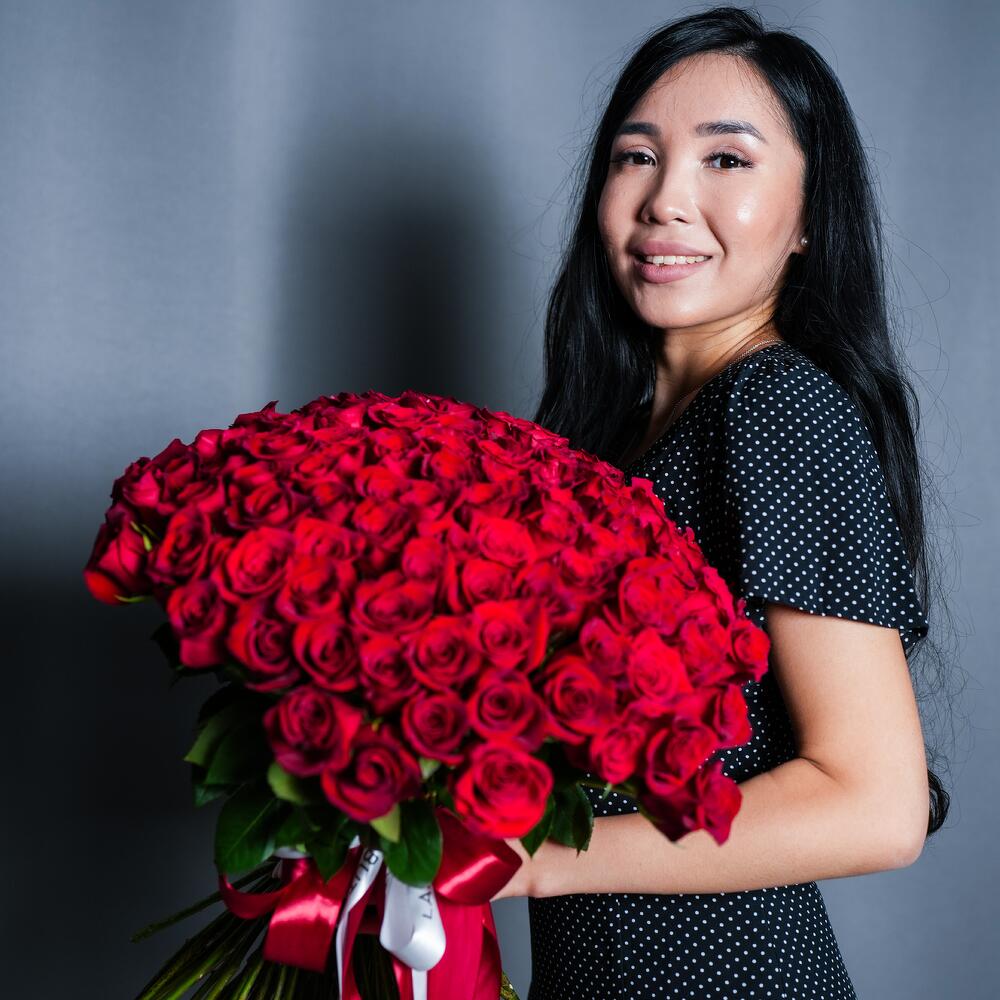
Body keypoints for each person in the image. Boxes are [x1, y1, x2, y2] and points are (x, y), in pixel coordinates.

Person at [492, 6, 952, 999]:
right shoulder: (623, 440)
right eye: (636, 156)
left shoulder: (775, 405)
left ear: (810, 215)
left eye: (727, 160)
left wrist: (537, 856)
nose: (665, 199)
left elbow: (875, 806)